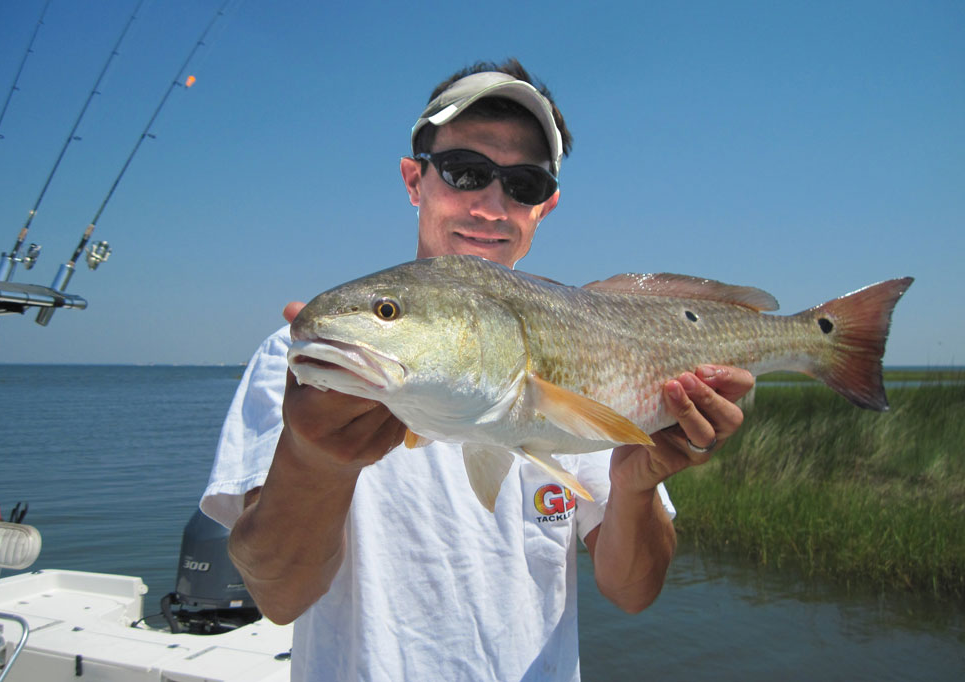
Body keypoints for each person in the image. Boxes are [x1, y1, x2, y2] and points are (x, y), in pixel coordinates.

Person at [201, 58, 753, 681]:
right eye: (465, 172)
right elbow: (278, 597)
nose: (492, 205)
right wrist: (314, 459)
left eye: (523, 184)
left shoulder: (586, 346)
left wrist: (636, 485)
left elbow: (632, 591)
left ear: (546, 207)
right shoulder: (306, 363)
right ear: (415, 180)